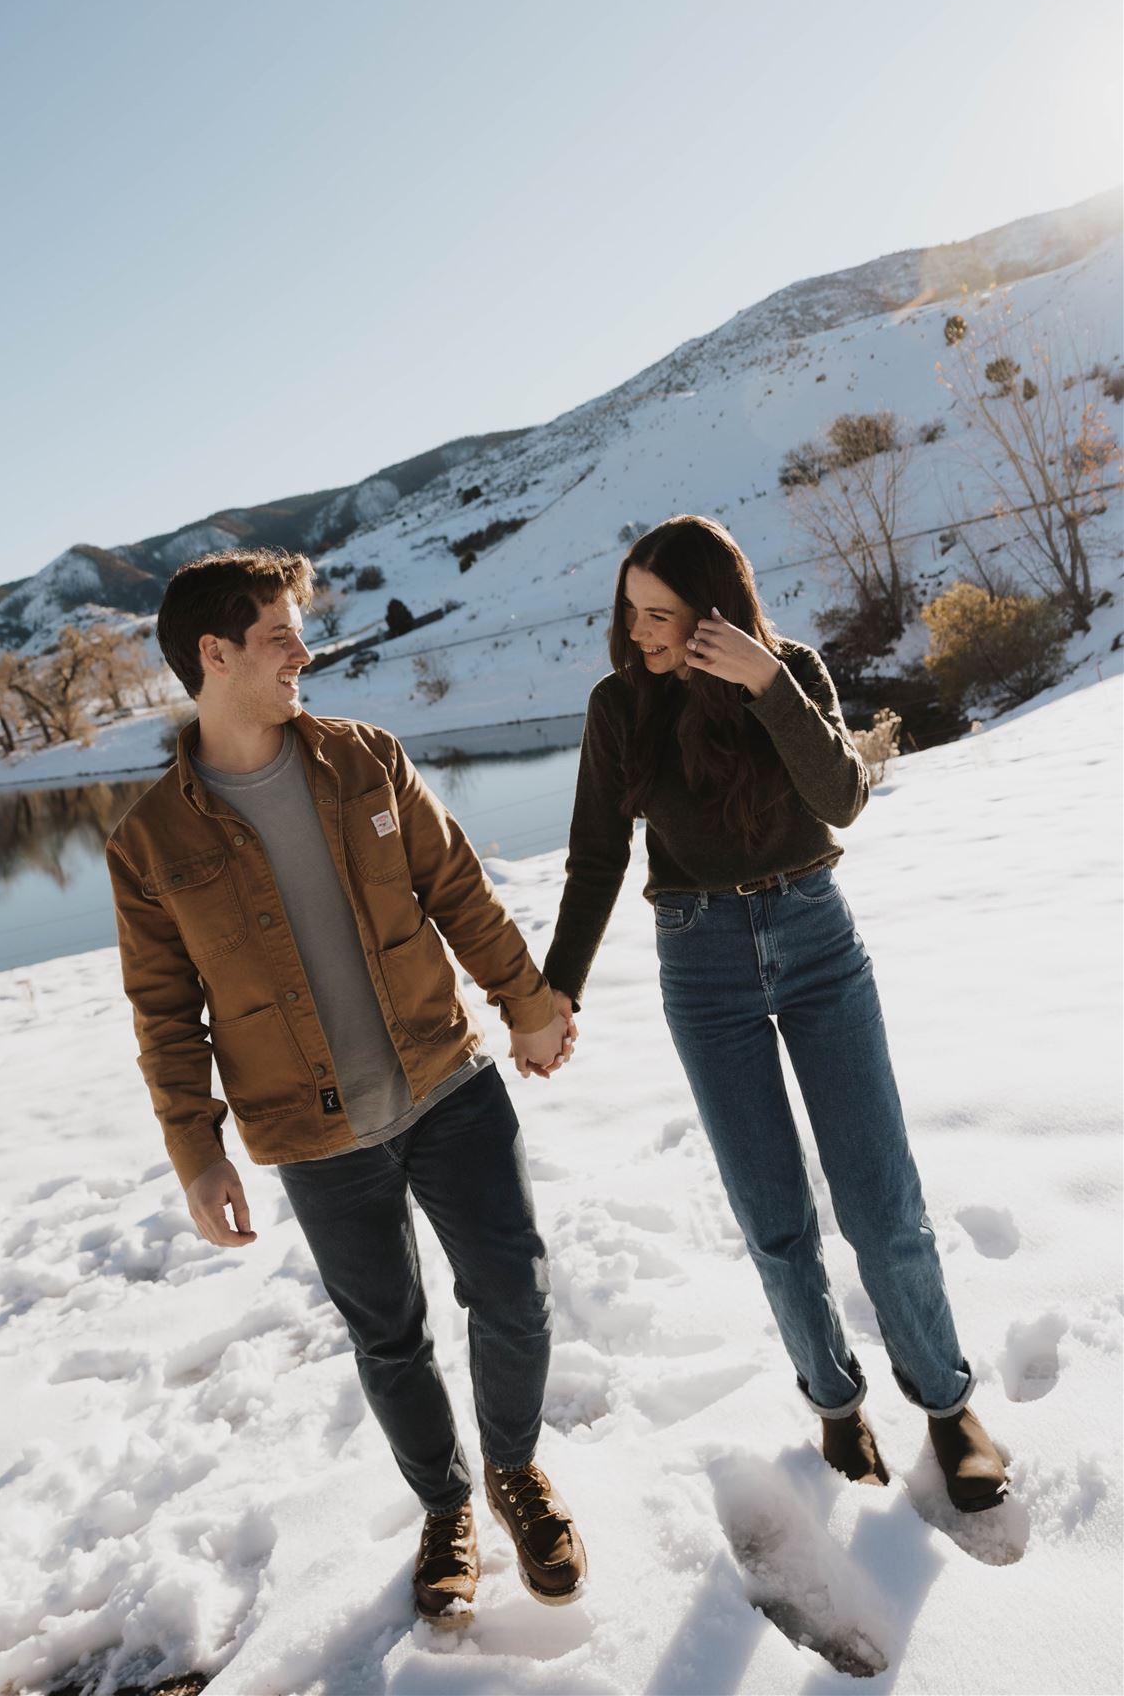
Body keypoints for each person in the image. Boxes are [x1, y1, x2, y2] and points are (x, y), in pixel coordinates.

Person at [106, 548, 586, 1622]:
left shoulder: (366, 759)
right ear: (214, 654)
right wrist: (197, 1149)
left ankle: (514, 1472)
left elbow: (458, 888)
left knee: (513, 1289)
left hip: (447, 1079)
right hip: (311, 1134)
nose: (304, 651)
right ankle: (446, 1504)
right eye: (280, 635)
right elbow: (164, 1014)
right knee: (390, 1336)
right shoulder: (149, 842)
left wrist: (526, 997)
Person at [542, 515, 1009, 1513]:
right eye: (630, 611)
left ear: (713, 612)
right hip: (701, 964)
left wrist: (766, 685)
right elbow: (594, 857)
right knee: (774, 1218)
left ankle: (947, 1402)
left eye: (660, 614)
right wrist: (558, 987)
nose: (639, 632)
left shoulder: (787, 667)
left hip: (816, 946)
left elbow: (842, 796)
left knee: (884, 1207)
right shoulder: (617, 704)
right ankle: (836, 1402)